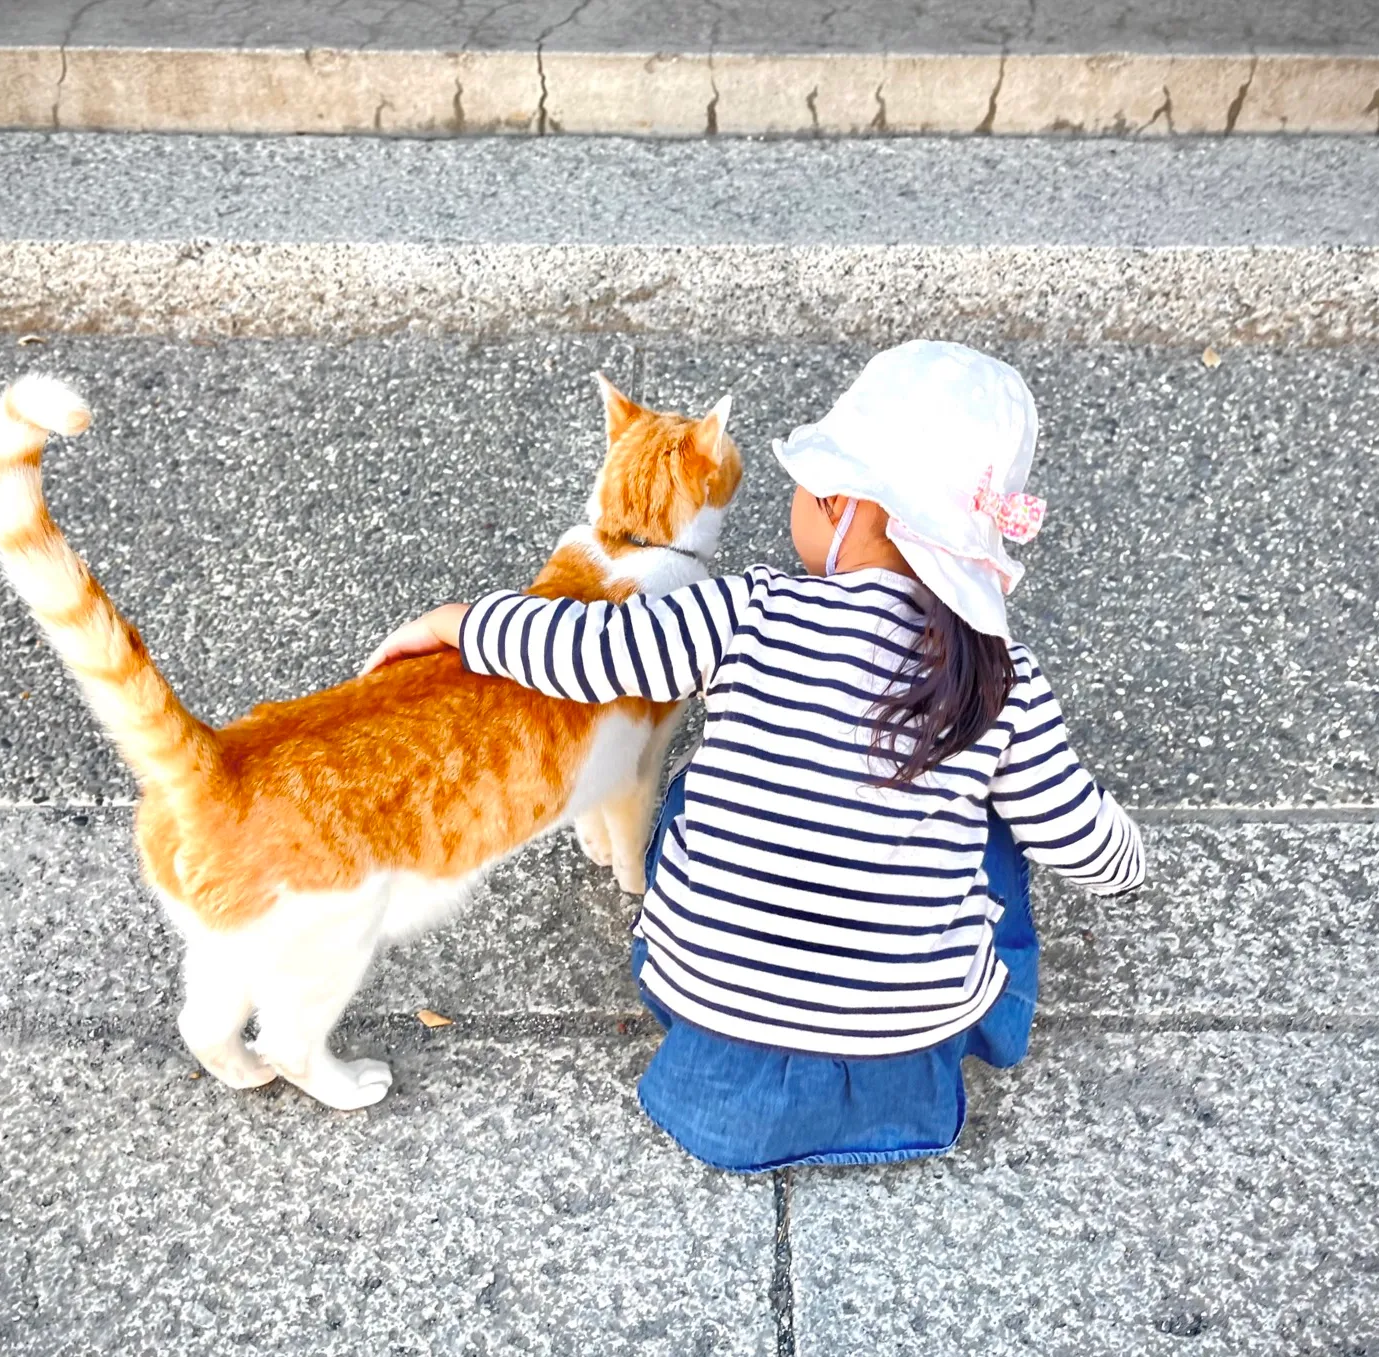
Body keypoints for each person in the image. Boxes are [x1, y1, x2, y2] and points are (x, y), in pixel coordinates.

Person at [365, 340, 1144, 1172]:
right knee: (995, 816)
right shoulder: (1002, 678)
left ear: (845, 505)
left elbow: (591, 650)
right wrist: (1130, 859)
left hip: (708, 1024)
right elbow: (1087, 847)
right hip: (903, 1058)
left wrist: (461, 623)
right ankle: (945, 1030)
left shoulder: (750, 609)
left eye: (807, 489)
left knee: (699, 777)